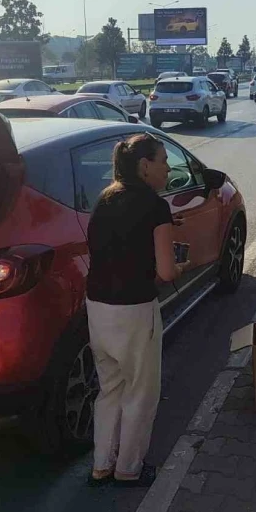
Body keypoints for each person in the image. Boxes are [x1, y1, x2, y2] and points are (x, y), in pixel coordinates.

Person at [85, 133, 189, 487]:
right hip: (134, 309)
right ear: (145, 166)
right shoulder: (155, 206)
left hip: (97, 308)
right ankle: (129, 468)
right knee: (141, 391)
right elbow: (165, 272)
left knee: (110, 387)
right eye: (162, 160)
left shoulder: (105, 198)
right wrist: (182, 265)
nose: (167, 168)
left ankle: (102, 464)